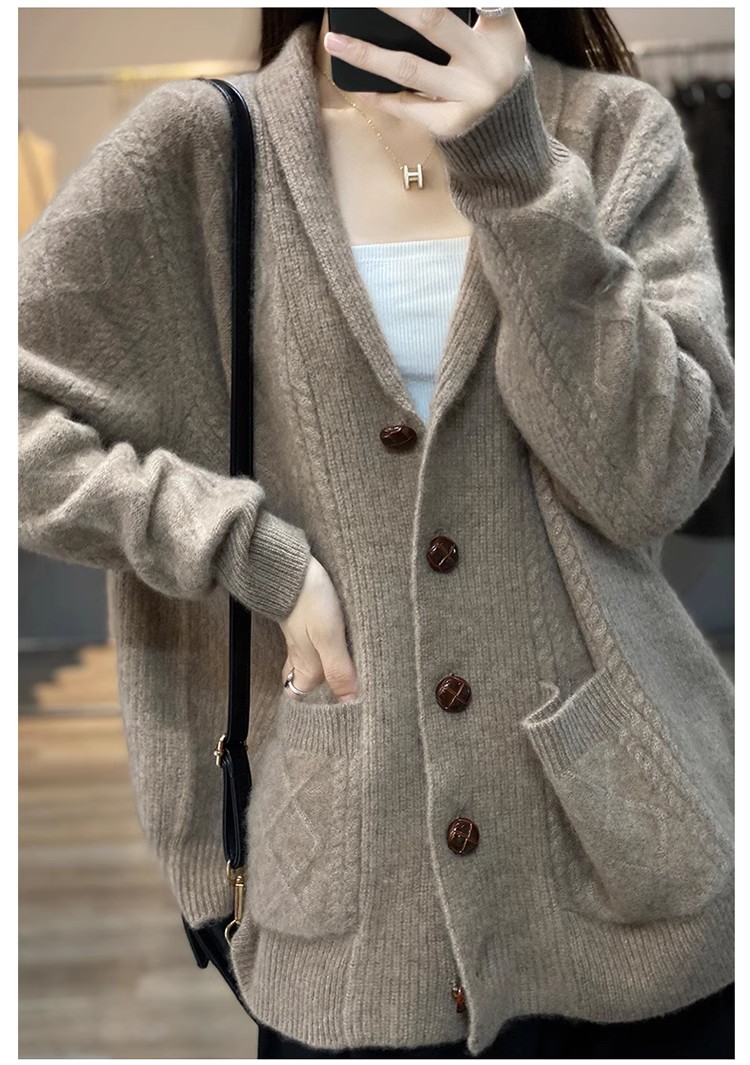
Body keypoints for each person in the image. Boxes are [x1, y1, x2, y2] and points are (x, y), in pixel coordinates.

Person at [18, 6, 734, 1060]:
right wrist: (245, 551)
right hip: (348, 901)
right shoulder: (204, 150)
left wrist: (517, 170)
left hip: (629, 876)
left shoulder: (612, 130)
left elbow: (652, 481)